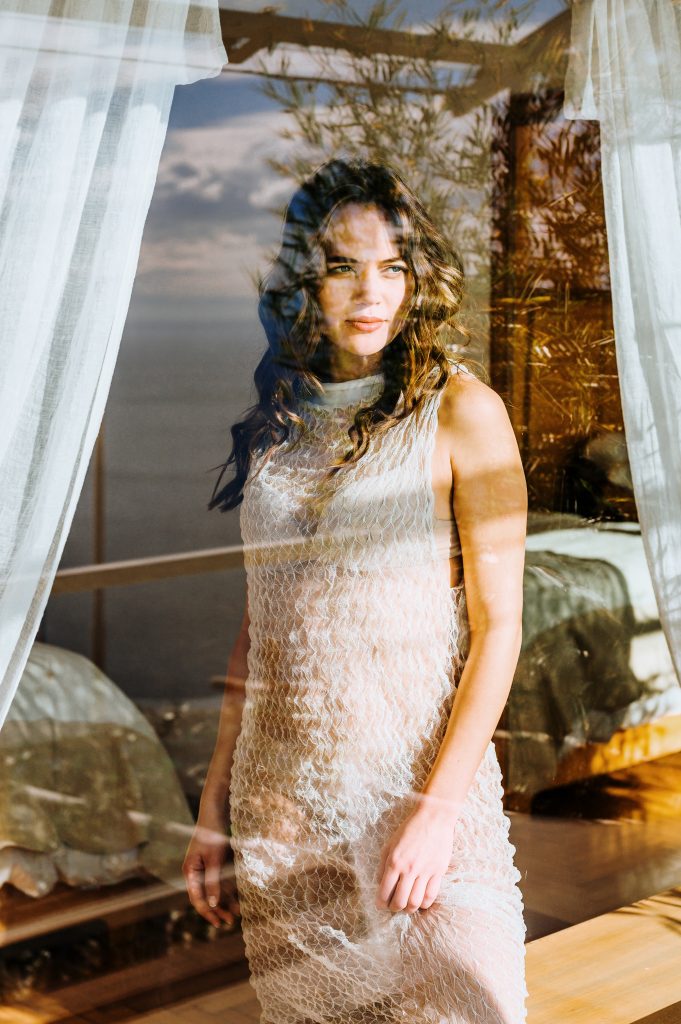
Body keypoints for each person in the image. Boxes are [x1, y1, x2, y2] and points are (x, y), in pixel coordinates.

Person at [183, 159, 529, 1023]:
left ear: (418, 278)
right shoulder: (282, 416)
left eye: (392, 266)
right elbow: (263, 622)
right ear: (308, 281)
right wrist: (214, 801)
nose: (370, 292)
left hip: (418, 810)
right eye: (343, 266)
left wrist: (436, 814)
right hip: (287, 821)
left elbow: (499, 632)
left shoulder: (462, 412)